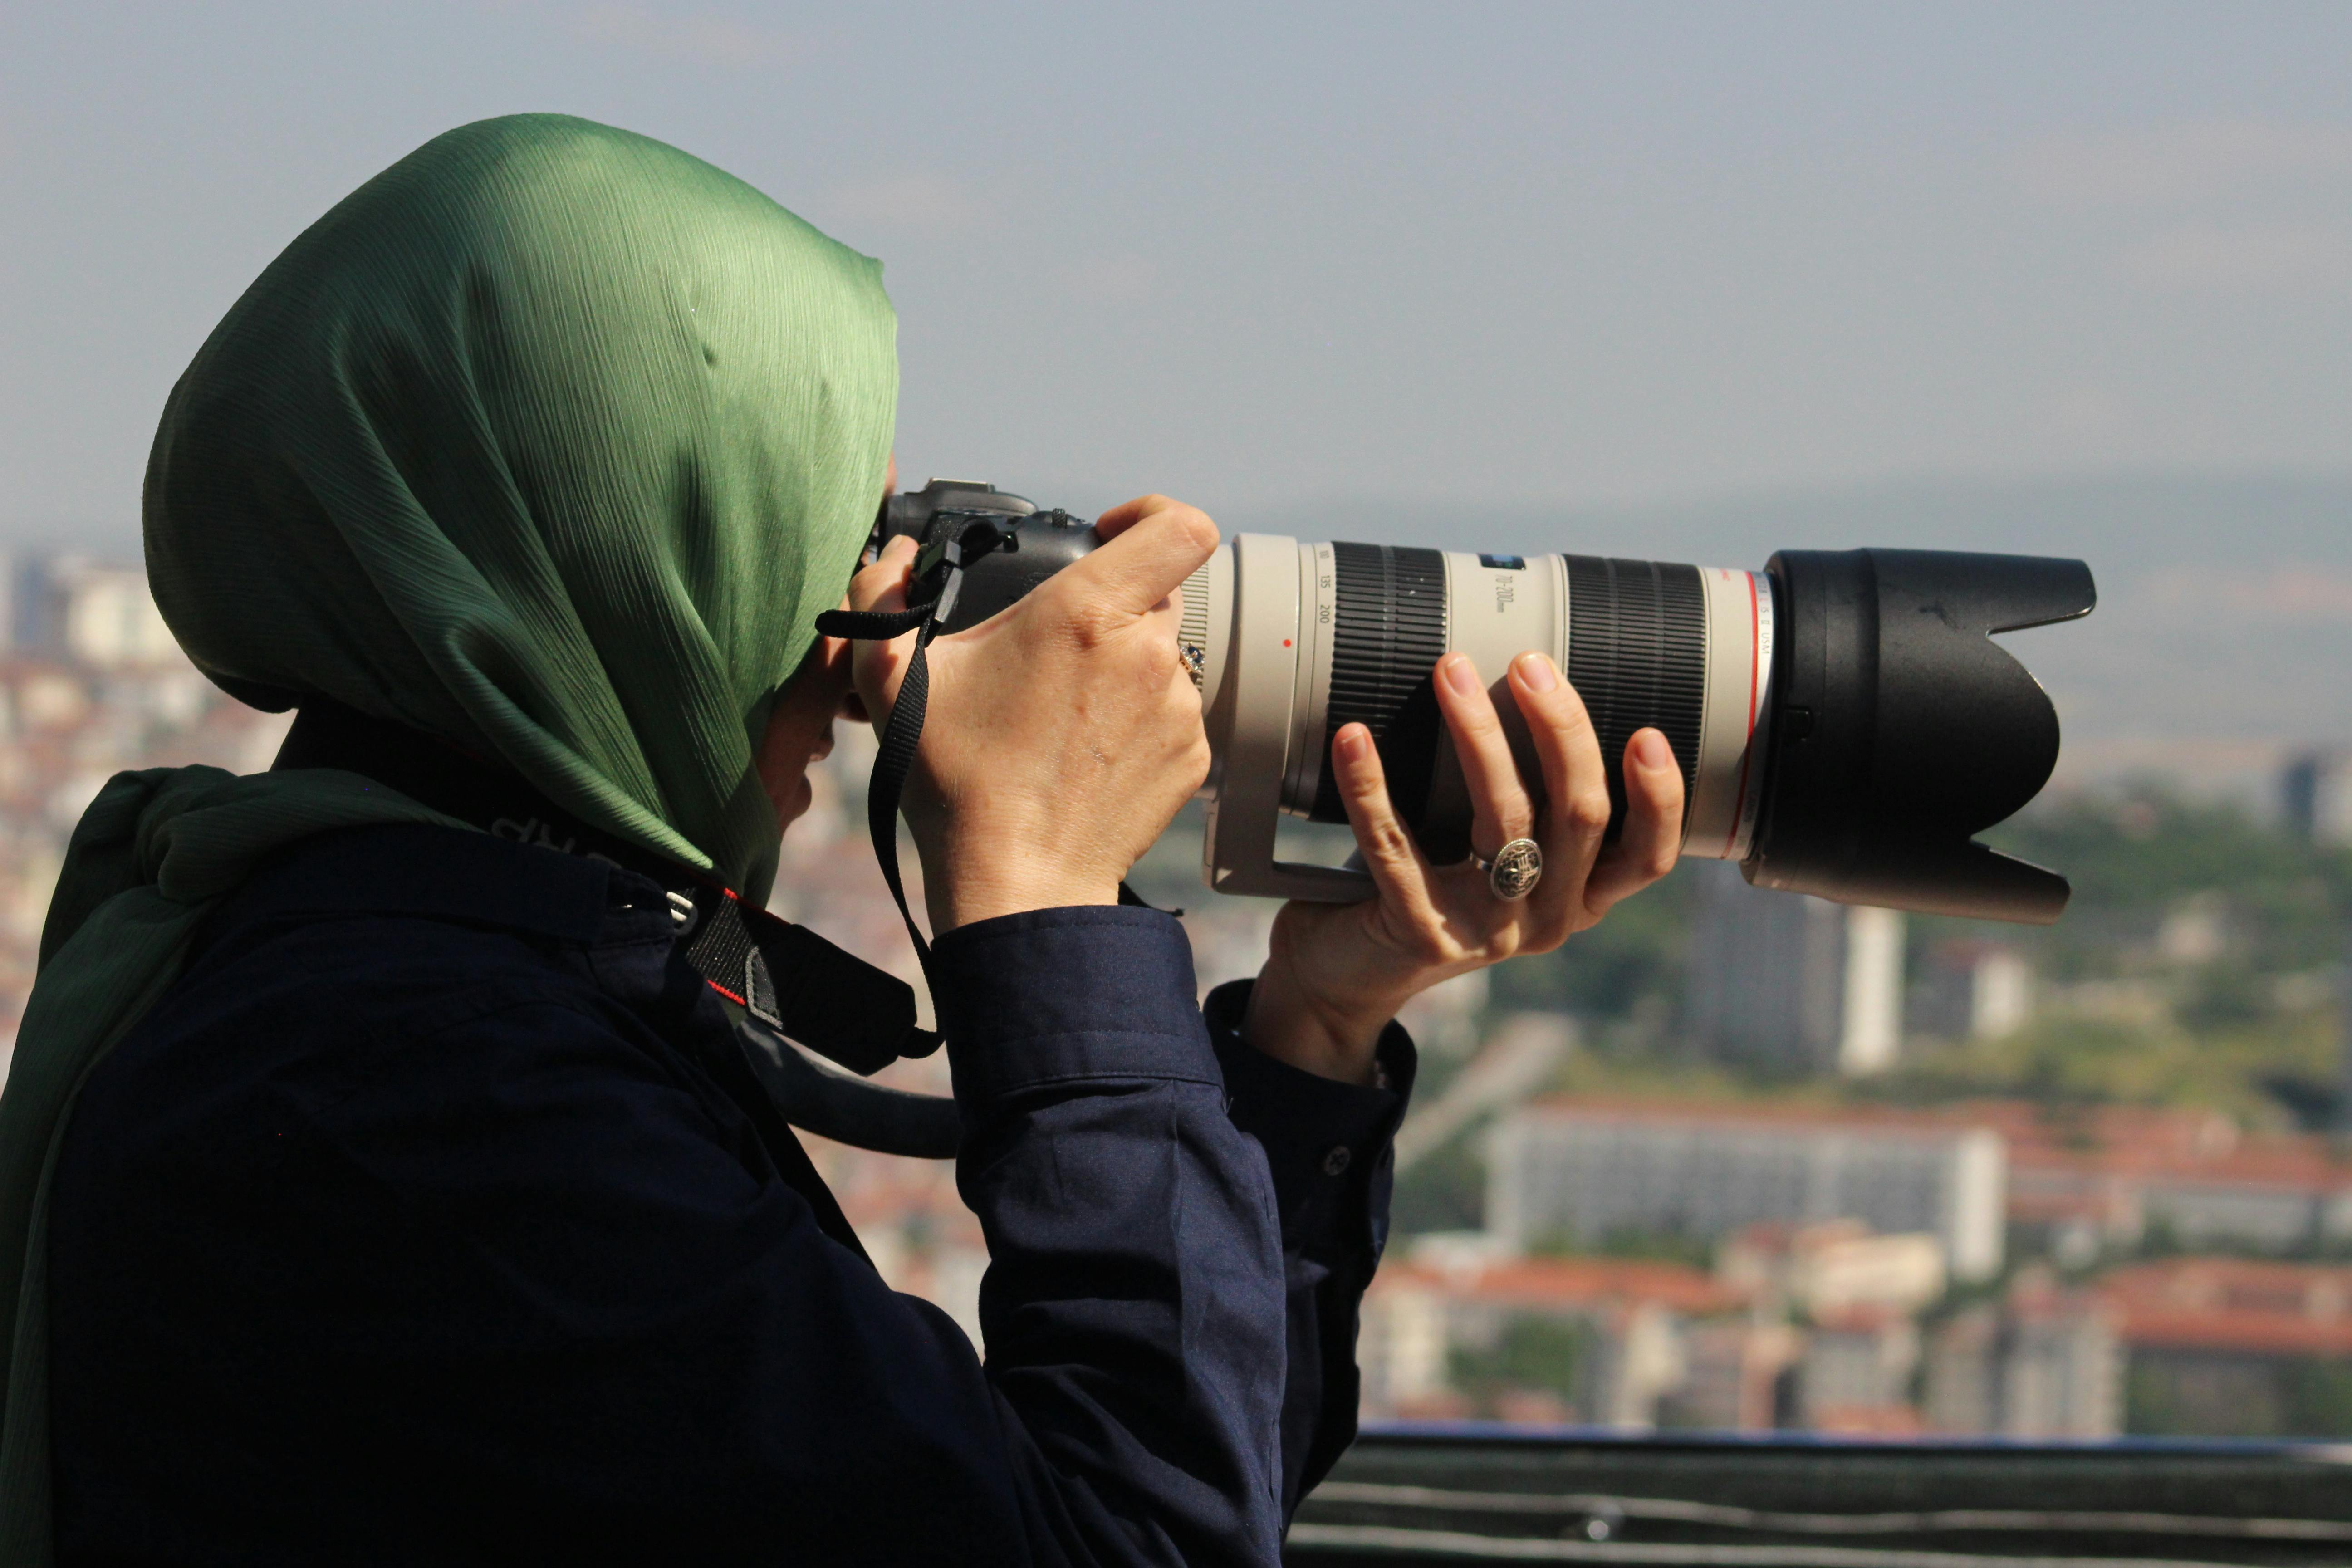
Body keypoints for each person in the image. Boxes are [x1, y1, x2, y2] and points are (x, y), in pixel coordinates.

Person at [0, 116, 1684, 1565]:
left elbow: (1155, 1480)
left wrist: (1317, 1022)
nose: (862, 632)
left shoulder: (422, 982)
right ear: (612, 554)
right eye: (816, 527)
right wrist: (1032, 886)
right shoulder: (413, 1094)